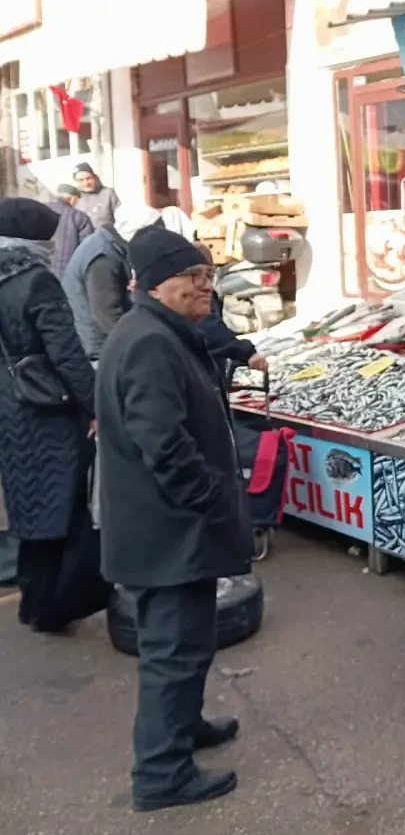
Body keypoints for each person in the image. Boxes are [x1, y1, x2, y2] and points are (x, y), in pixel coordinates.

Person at [96, 225, 252, 812]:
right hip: (169, 529)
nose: (207, 287)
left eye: (209, 275)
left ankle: (184, 727)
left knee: (189, 639)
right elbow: (163, 443)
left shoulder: (160, 331)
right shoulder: (149, 343)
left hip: (172, 526)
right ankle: (162, 772)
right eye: (195, 277)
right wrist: (211, 498)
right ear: (158, 284)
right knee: (173, 649)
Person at [0, 199, 100, 633]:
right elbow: (67, 354)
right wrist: (95, 405)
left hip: (8, 407)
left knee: (28, 504)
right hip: (46, 410)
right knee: (63, 504)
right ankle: (54, 605)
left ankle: (33, 600)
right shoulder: (36, 280)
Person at [61, 205, 159, 359]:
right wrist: (138, 343)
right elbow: (107, 313)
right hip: (99, 349)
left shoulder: (112, 246)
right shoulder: (103, 257)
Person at [191, 242, 268, 379]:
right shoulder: (194, 295)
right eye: (203, 275)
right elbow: (210, 330)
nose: (208, 285)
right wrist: (246, 352)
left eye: (210, 274)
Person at [47, 184, 94, 278]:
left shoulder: (39, 210)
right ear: (72, 198)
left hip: (40, 269)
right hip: (68, 272)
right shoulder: (79, 217)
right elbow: (88, 248)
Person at [72, 161, 121, 229]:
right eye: (81, 180)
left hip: (106, 234)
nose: (86, 183)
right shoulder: (73, 198)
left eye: (88, 178)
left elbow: (121, 219)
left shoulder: (108, 194)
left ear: (94, 177)